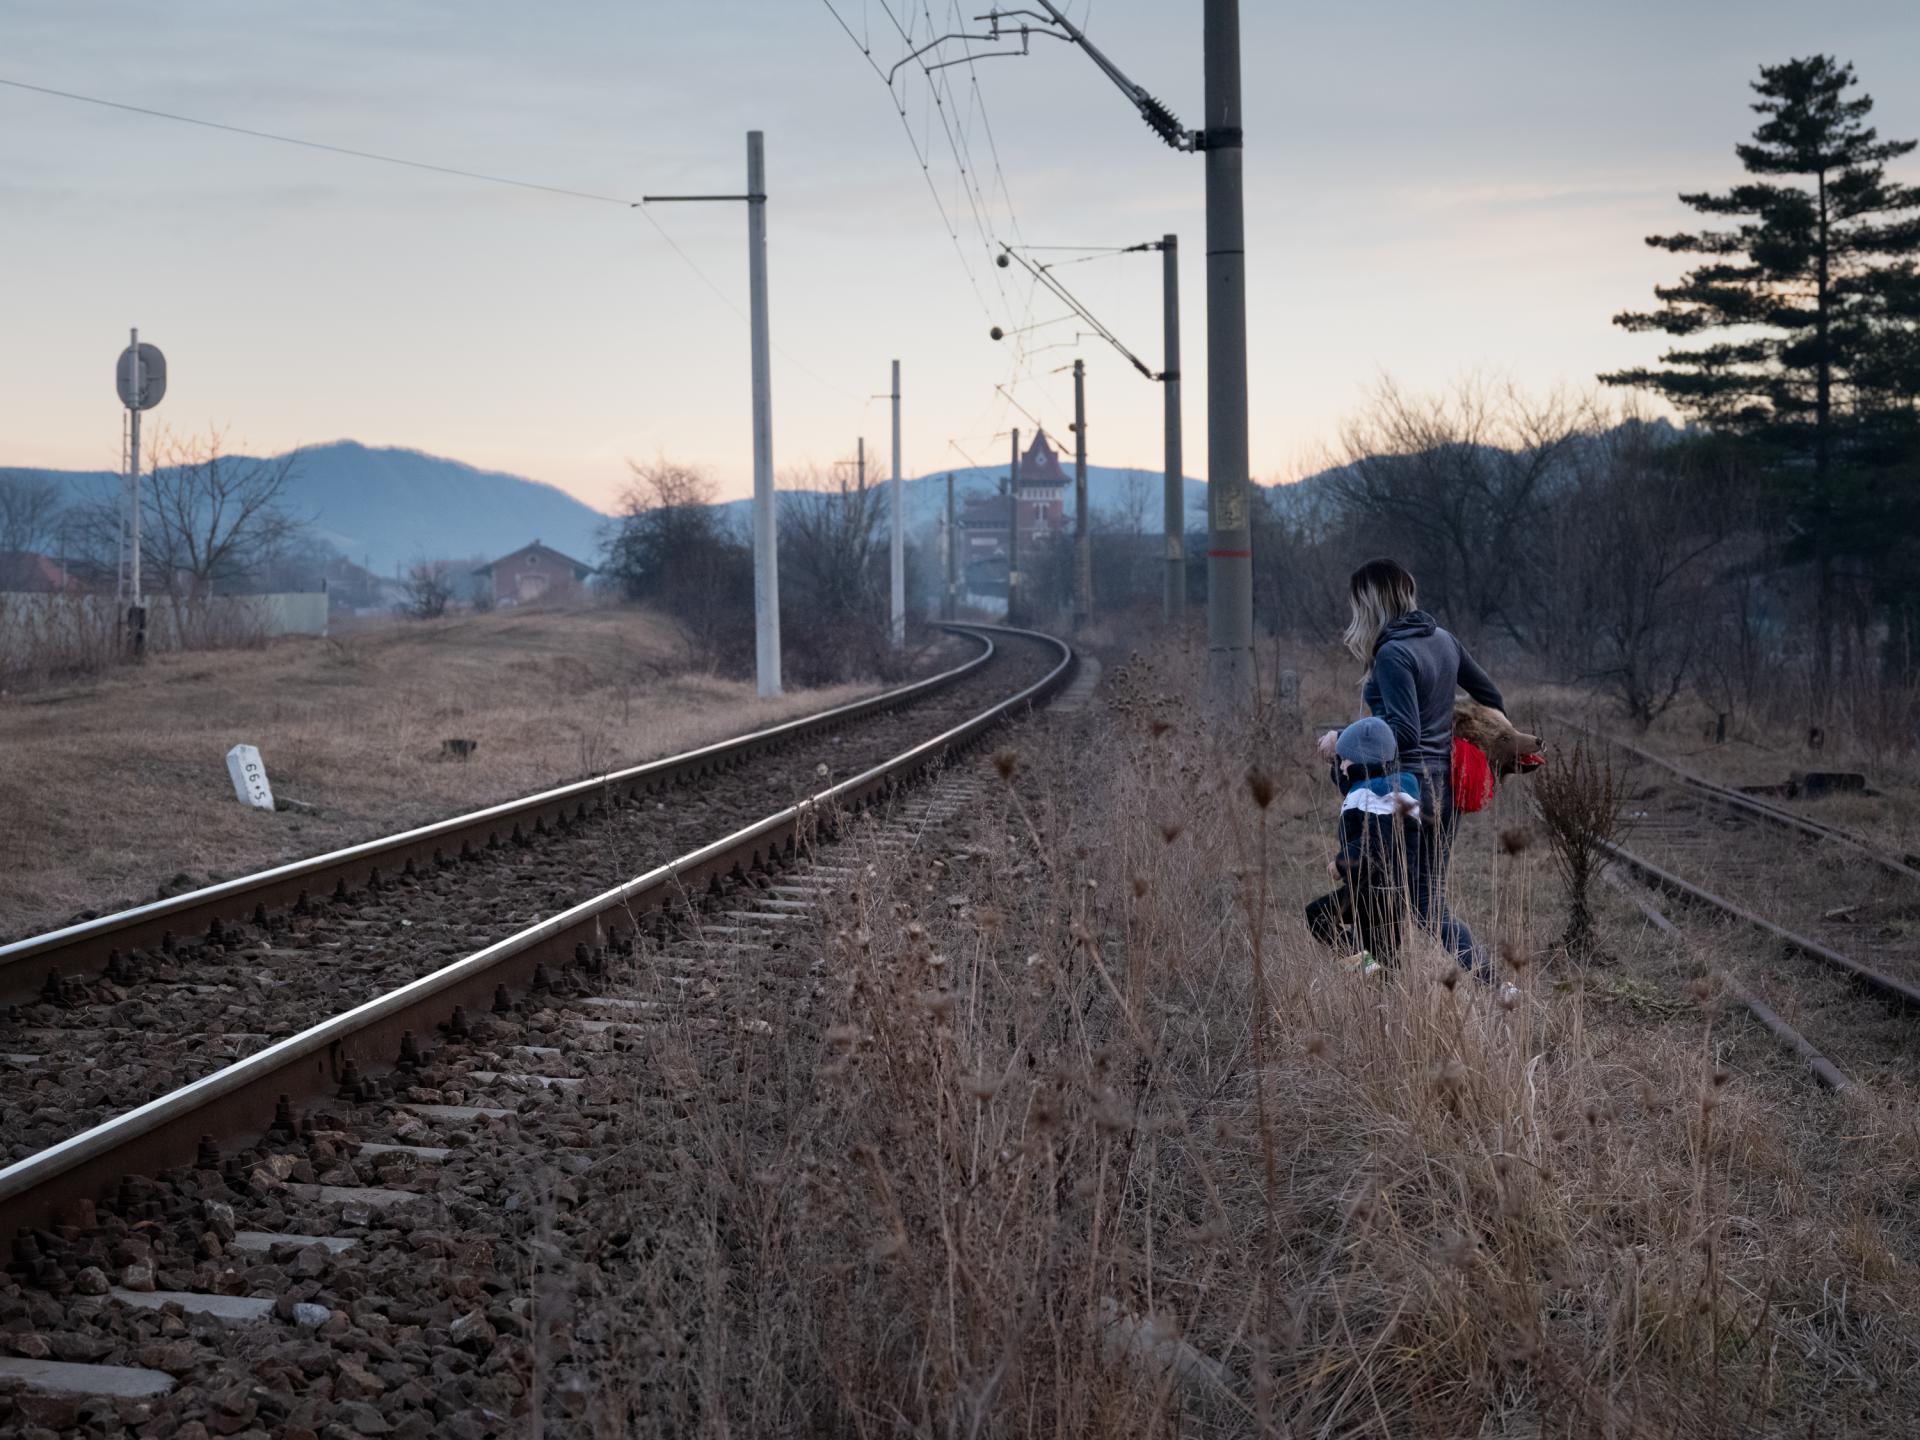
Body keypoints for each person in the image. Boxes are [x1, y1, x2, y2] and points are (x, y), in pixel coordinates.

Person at [1319, 558, 1505, 978]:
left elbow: (1403, 730)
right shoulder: (1444, 640)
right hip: (1446, 788)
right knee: (1411, 899)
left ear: (1372, 602)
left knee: (1401, 899)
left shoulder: (1392, 653)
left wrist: (1343, 738)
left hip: (1403, 794)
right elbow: (1491, 697)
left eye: (1357, 603)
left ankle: (1382, 975)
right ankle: (1385, 983)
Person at [1304, 716, 1422, 976]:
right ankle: (1381, 980)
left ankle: (1367, 968)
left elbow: (1378, 842)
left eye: (1342, 760)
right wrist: (1339, 756)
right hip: (1393, 889)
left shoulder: (1379, 793)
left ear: (1358, 762)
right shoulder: (1386, 785)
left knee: (1319, 916)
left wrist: (1342, 862)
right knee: (1385, 952)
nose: (1340, 765)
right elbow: (1347, 782)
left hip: (1375, 888)